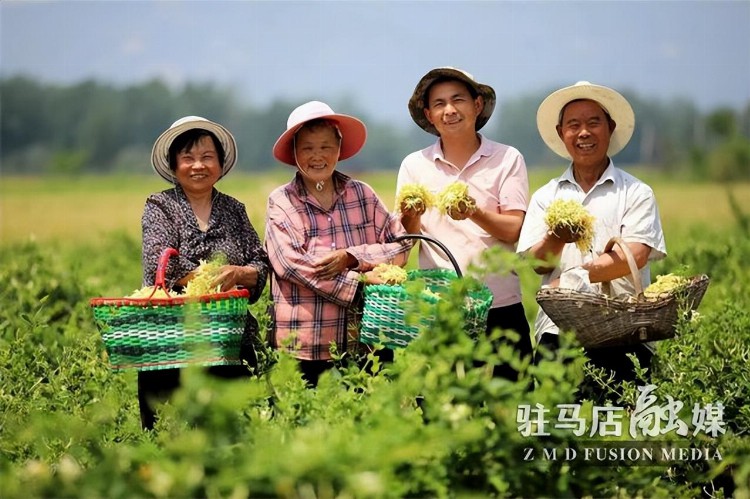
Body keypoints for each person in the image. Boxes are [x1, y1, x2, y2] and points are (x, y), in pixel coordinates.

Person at [517, 81, 667, 383]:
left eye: (593, 123)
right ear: (561, 134)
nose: (583, 133)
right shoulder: (547, 197)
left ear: (610, 128)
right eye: (573, 125)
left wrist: (573, 280)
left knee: (621, 420)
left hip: (623, 325)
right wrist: (557, 236)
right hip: (559, 327)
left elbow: (635, 256)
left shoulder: (636, 192)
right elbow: (539, 264)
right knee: (553, 419)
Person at [397, 67, 532, 380]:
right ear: (429, 115)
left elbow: (513, 229)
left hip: (500, 304)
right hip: (439, 306)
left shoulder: (507, 158)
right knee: (443, 410)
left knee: (511, 407)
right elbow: (408, 240)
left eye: (458, 100)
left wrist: (474, 211)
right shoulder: (414, 165)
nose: (450, 110)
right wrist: (410, 213)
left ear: (477, 105)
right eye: (440, 103)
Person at [265, 101, 413, 387]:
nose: (317, 156)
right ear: (294, 152)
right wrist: (360, 282)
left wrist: (352, 257)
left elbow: (402, 244)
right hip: (303, 344)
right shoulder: (281, 202)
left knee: (367, 423)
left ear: (339, 149)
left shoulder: (362, 194)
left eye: (326, 147)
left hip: (366, 340)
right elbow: (292, 265)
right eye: (308, 148)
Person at [138, 116, 269, 429]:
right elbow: (162, 263)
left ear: (221, 164)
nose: (198, 165)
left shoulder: (234, 209)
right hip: (172, 344)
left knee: (236, 433)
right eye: (188, 158)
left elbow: (261, 264)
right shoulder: (160, 206)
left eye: (207, 157)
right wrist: (213, 276)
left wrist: (239, 273)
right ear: (173, 165)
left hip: (231, 341)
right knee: (172, 435)